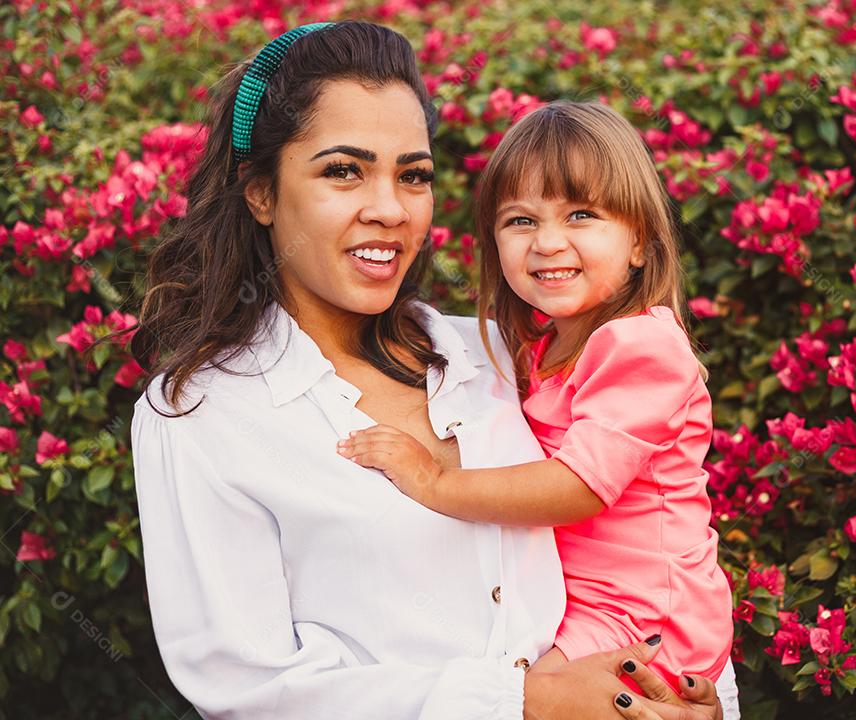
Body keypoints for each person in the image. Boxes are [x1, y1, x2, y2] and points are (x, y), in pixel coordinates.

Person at [129, 20, 737, 720]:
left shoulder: (495, 353)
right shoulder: (204, 417)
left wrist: (699, 701)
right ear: (261, 192)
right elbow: (251, 693)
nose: (388, 209)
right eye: (343, 171)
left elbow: (653, 543)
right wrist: (523, 703)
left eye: (412, 175)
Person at [338, 100, 734, 695]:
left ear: (640, 244)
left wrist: (432, 482)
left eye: (581, 215)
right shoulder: (537, 347)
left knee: (534, 703)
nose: (547, 242)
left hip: (645, 616)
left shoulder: (640, 346)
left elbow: (576, 487)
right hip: (578, 607)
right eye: (520, 221)